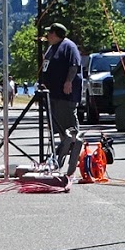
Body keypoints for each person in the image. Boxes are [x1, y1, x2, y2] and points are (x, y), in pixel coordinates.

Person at [40, 23, 82, 155]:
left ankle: (74, 144)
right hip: (53, 93)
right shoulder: (51, 48)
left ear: (55, 34)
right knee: (56, 120)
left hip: (66, 93)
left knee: (68, 118)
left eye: (50, 33)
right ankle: (64, 144)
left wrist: (68, 81)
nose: (47, 35)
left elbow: (74, 65)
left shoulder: (69, 46)